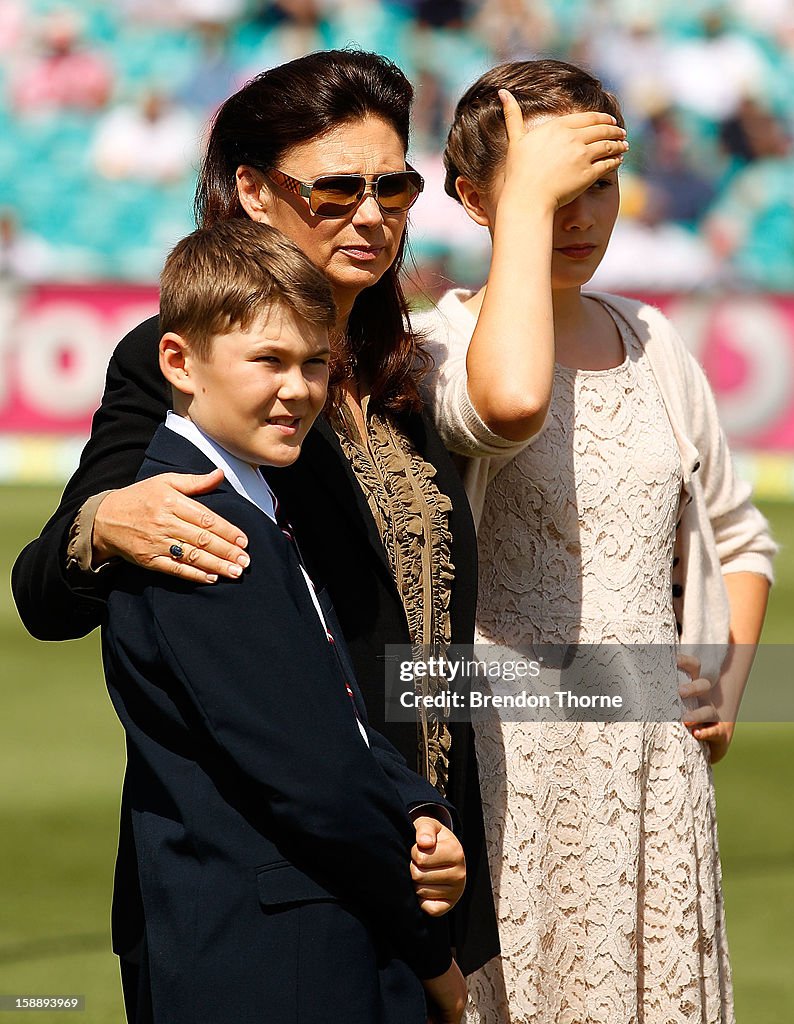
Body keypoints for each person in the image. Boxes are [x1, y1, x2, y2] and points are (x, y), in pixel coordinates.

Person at [11, 49, 626, 976]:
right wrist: (101, 525)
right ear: (254, 193)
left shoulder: (404, 372)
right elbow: (44, 589)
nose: (372, 215)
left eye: (394, 185)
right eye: (336, 189)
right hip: (281, 882)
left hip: (425, 857)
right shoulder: (183, 358)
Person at [415, 59, 776, 1024]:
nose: (580, 216)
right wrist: (521, 217)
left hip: (651, 763)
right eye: (553, 191)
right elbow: (503, 406)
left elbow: (740, 536)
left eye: (599, 186)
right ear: (473, 199)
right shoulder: (431, 344)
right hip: (499, 755)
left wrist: (722, 682)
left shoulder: (655, 342)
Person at [103, 217, 466, 1023]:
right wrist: (430, 953)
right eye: (267, 360)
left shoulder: (254, 498)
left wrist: (414, 805)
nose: (296, 388)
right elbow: (316, 783)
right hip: (275, 960)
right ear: (178, 361)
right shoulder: (197, 528)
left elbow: (336, 714)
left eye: (313, 364)